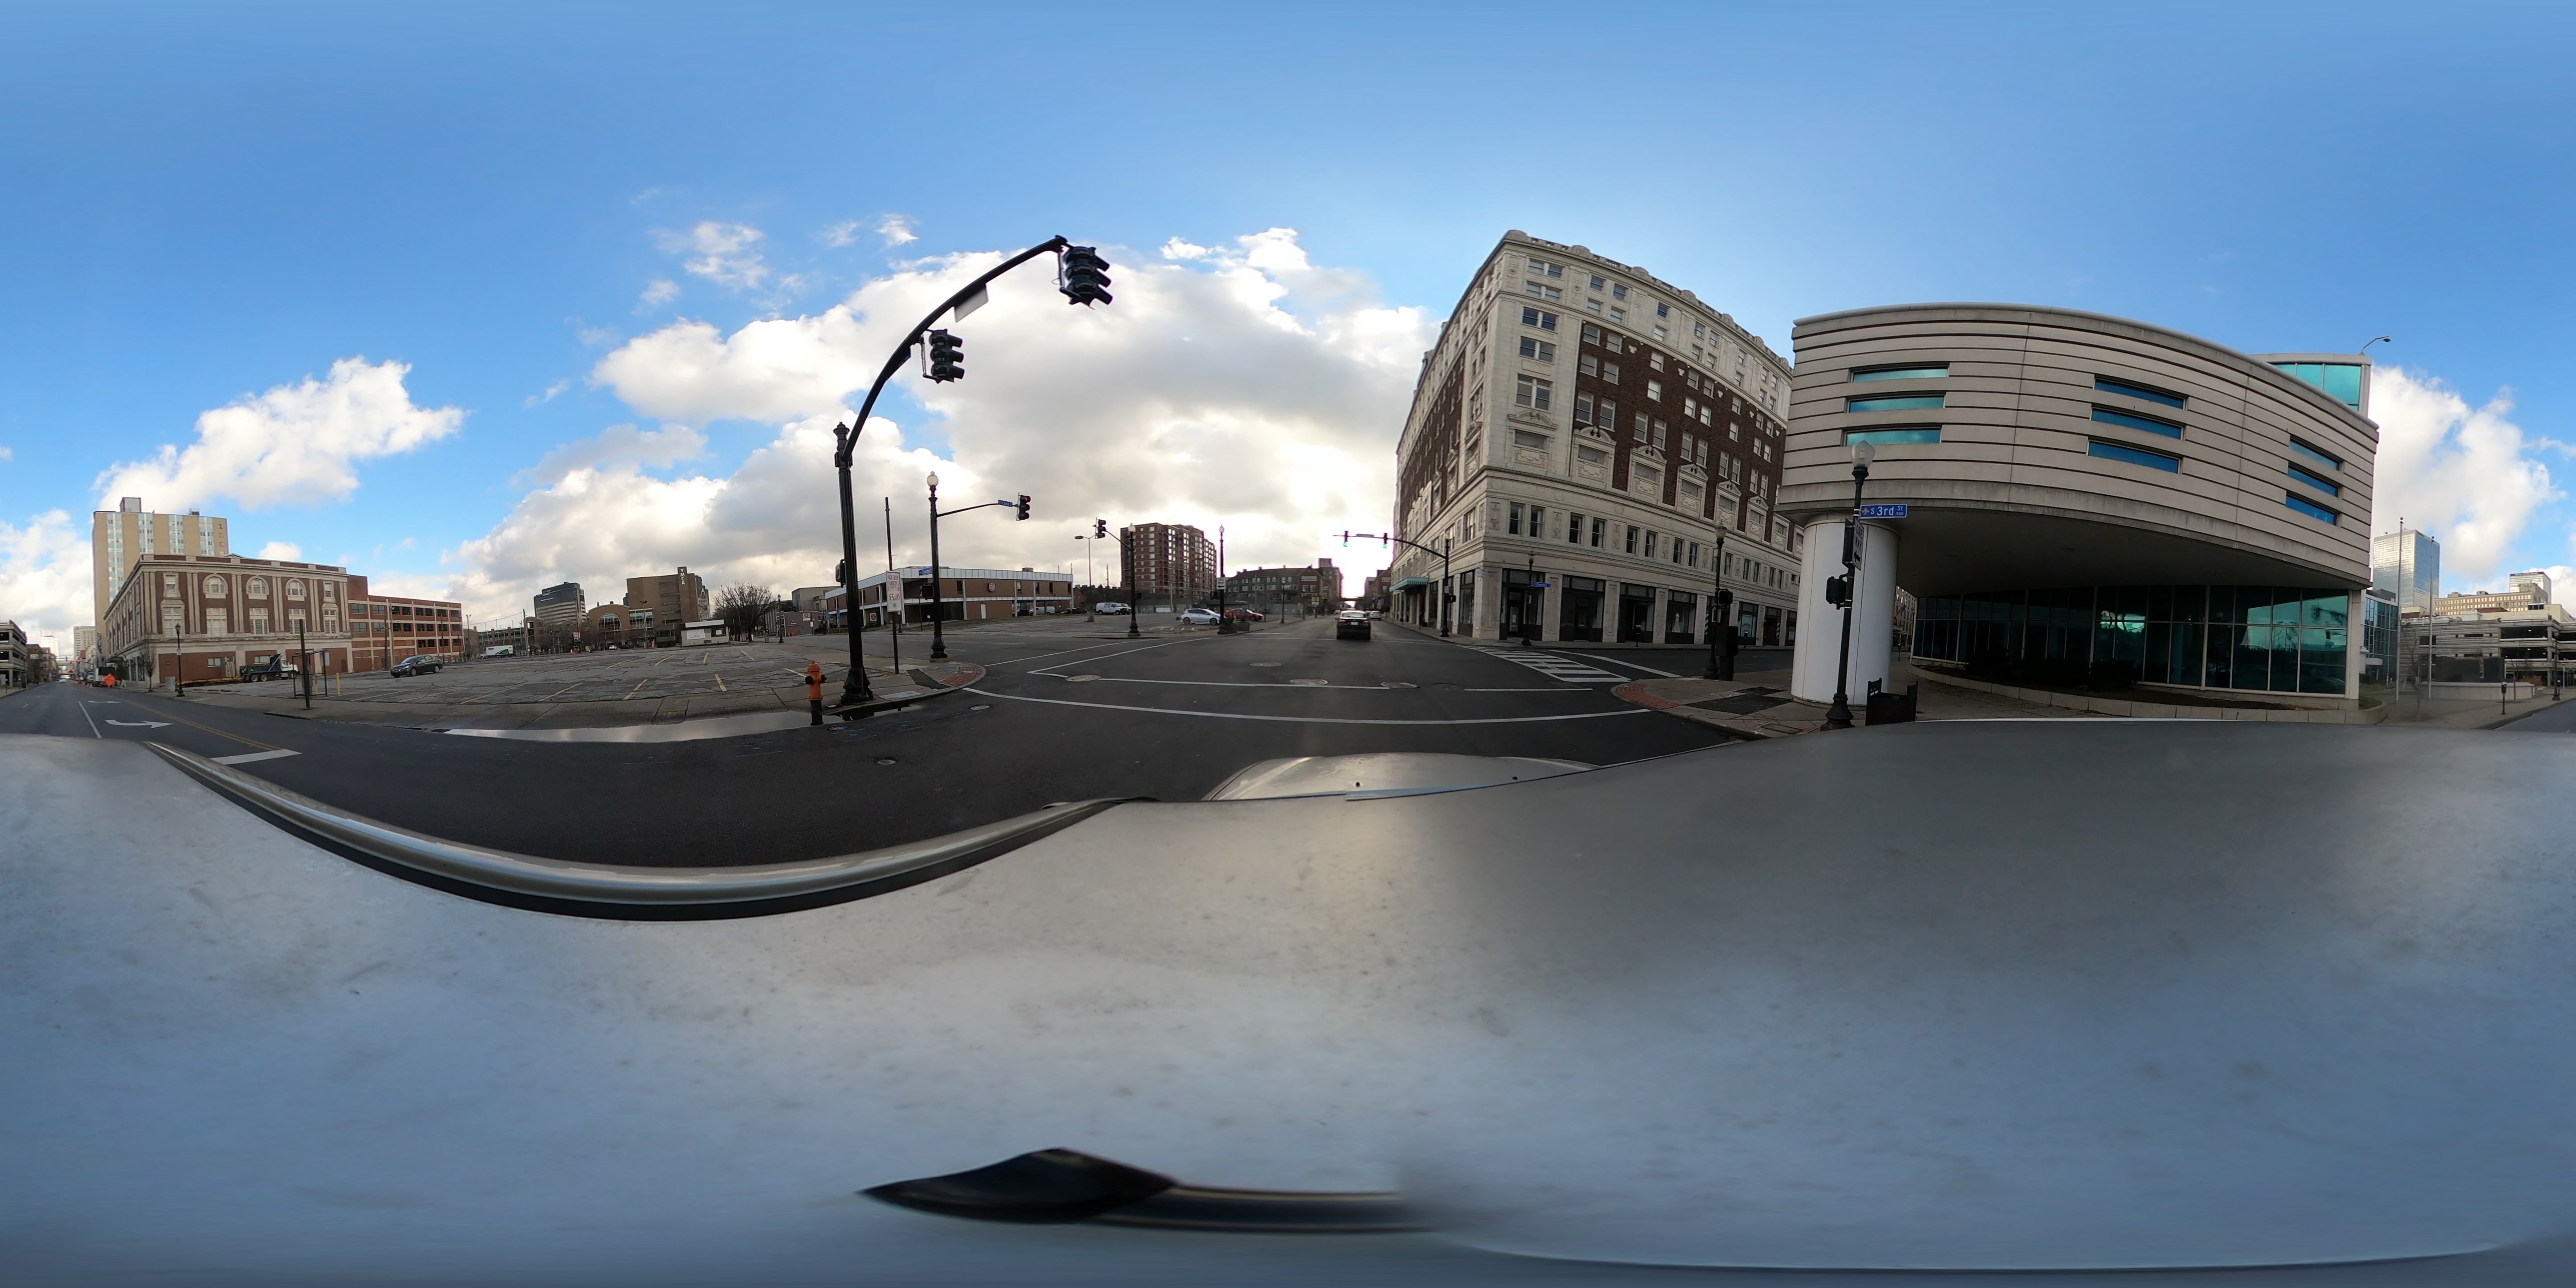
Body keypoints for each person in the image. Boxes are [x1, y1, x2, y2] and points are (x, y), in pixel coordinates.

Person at [806, 660, 825, 725]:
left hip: (814, 697)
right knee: (817, 711)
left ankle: (815, 714)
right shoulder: (817, 677)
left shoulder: (813, 678)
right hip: (817, 697)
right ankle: (819, 721)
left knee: (815, 711)